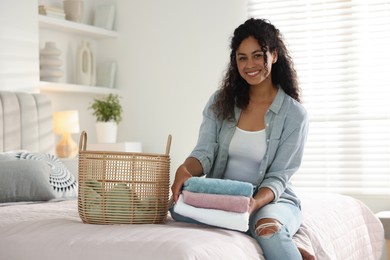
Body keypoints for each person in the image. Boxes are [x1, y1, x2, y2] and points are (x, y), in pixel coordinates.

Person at [171, 18, 313, 260]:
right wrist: (185, 169)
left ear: (274, 56)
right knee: (175, 209)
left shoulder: (294, 115)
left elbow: (278, 177)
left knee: (269, 230)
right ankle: (274, 241)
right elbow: (204, 152)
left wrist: (253, 205)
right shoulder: (220, 102)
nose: (250, 65)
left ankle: (274, 237)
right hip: (226, 198)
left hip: (268, 201)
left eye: (258, 55)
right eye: (242, 57)